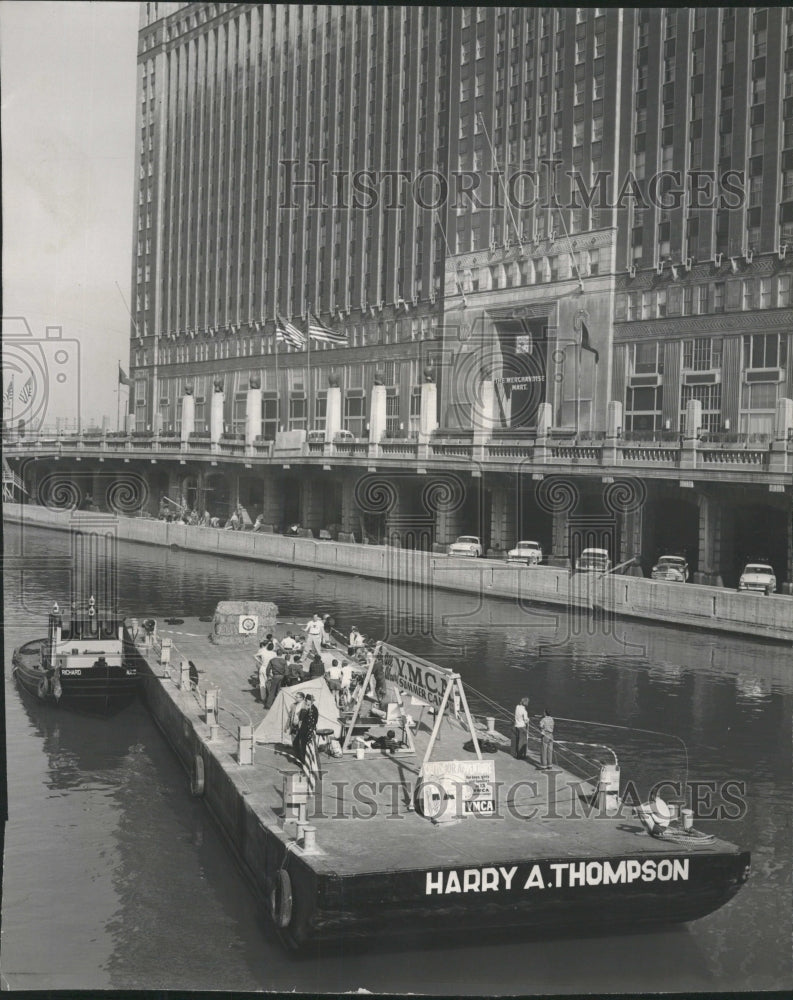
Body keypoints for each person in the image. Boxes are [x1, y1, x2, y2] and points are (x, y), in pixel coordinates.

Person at [294, 692, 319, 765]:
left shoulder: (313, 709)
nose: (306, 702)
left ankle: (304, 762)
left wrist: (310, 731)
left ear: (310, 701)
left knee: (305, 747)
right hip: (303, 730)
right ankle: (301, 759)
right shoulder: (308, 708)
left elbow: (313, 722)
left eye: (307, 701)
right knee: (298, 743)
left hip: (307, 731)